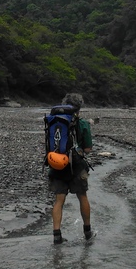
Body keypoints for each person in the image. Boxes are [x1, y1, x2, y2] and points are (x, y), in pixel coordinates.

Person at [49, 92, 93, 244]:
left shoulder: (54, 122)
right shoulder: (82, 123)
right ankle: (87, 232)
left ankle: (56, 234)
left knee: (59, 200)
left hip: (57, 164)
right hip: (77, 166)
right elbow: (87, 149)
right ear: (79, 107)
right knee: (82, 196)